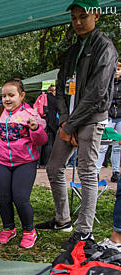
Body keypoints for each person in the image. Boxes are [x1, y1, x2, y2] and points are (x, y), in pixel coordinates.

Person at [36, 0, 118, 246]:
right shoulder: (73, 50)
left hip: (90, 120)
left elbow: (97, 94)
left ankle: (85, 231)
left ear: (96, 15)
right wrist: (64, 122)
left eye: (83, 16)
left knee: (87, 172)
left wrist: (71, 126)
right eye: (74, 18)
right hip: (69, 121)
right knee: (54, 167)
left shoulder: (105, 47)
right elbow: (60, 88)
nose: (78, 22)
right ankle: (63, 219)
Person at [0, 79, 48, 248]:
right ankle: (8, 228)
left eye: (11, 95)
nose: (7, 99)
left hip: (25, 162)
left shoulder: (31, 114)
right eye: (4, 96)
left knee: (20, 198)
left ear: (22, 95)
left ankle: (29, 231)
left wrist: (35, 128)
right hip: (2, 162)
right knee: (3, 198)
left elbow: (42, 140)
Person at [96, 61, 121, 181]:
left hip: (120, 118)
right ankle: (96, 171)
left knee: (117, 146)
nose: (116, 72)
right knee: (102, 144)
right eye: (115, 69)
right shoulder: (106, 83)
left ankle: (116, 171)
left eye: (119, 69)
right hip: (108, 117)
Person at [34, 84, 59, 167]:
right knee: (49, 144)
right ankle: (46, 163)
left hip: (40, 122)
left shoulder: (40, 96)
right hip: (50, 124)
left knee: (39, 144)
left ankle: (37, 163)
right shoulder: (54, 99)